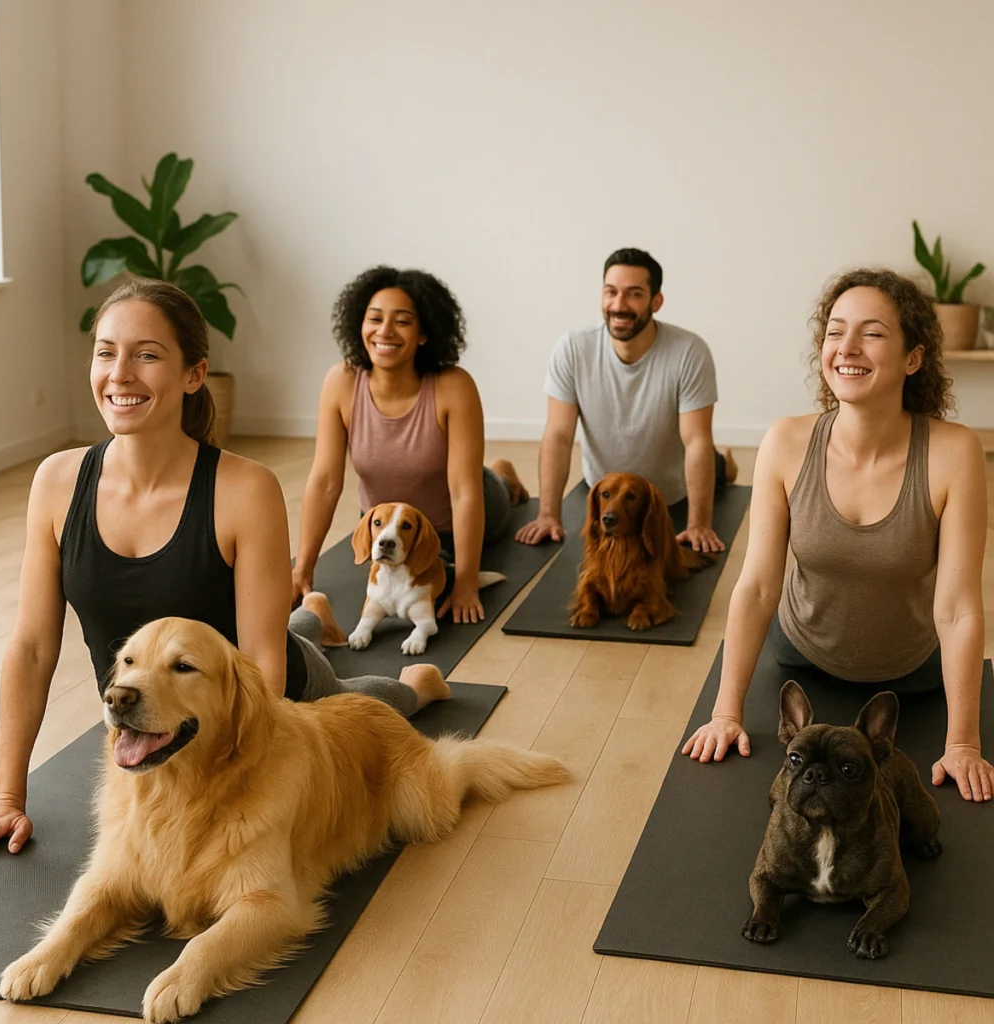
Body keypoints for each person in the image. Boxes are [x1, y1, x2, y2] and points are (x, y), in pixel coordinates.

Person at [0, 278, 449, 865]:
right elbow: (31, 647)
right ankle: (311, 613)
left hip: (261, 698)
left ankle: (411, 683)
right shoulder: (56, 482)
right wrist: (5, 795)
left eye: (147, 355)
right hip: (151, 708)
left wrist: (218, 783)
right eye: (105, 351)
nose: (119, 373)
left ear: (194, 374)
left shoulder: (244, 488)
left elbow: (262, 663)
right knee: (279, 625)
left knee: (359, 703)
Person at [682, 268, 993, 803]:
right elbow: (757, 588)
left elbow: (959, 609)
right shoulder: (785, 441)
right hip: (802, 661)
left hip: (912, 679)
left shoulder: (954, 452)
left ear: (913, 358)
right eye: (834, 330)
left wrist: (962, 742)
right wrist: (725, 713)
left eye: (872, 333)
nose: (846, 347)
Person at [292, 266, 529, 625]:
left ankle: (503, 478)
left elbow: (465, 492)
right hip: (388, 529)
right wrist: (302, 568)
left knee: (487, 491)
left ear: (423, 334)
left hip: (452, 520)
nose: (384, 331)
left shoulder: (453, 386)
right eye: (375, 319)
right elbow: (325, 481)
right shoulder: (341, 382)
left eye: (402, 321)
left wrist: (466, 583)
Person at [516, 247, 737, 554]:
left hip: (671, 490)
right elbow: (558, 434)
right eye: (611, 292)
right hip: (607, 485)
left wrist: (698, 524)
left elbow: (696, 440)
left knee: (714, 463)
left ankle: (723, 462)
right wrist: (548, 515)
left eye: (634, 294)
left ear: (656, 302)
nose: (619, 305)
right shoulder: (573, 348)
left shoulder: (689, 351)